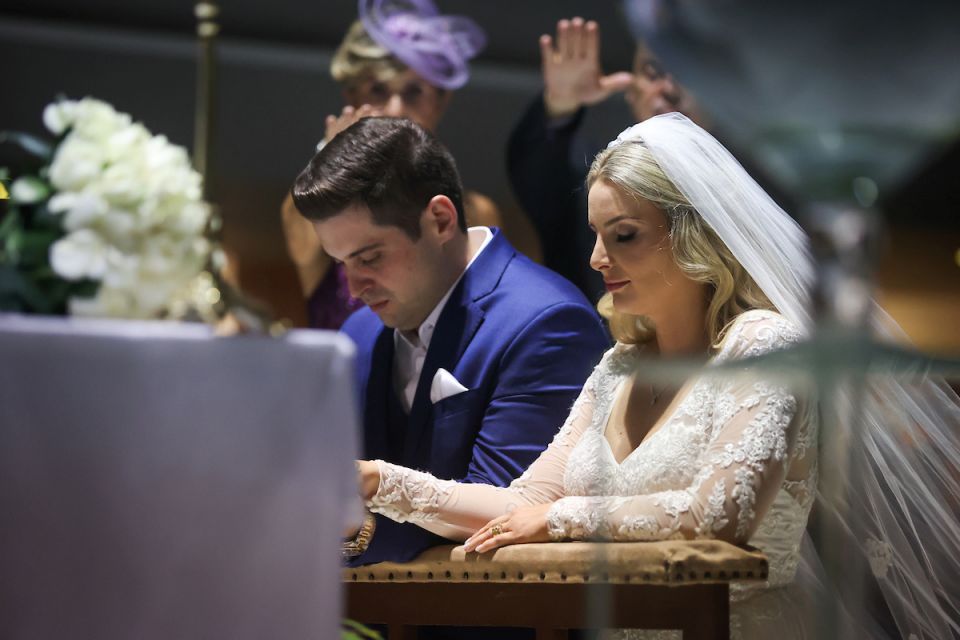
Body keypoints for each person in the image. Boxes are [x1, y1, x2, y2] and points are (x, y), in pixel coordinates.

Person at [356, 113, 960, 638]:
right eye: (595, 235)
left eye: (624, 235)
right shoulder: (618, 367)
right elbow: (524, 502)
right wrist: (379, 482)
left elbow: (718, 514)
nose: (597, 259)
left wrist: (564, 519)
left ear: (695, 234)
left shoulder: (766, 343)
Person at [291, 116, 610, 567]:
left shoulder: (547, 323)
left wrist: (350, 533)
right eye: (341, 262)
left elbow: (505, 520)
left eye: (369, 257)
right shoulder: (357, 334)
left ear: (440, 220)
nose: (354, 286)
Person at [508, 17, 787, 303]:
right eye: (653, 73)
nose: (669, 88)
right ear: (631, 91)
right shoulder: (593, 183)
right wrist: (561, 104)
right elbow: (534, 176)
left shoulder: (762, 178)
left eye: (687, 77)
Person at [282, 0, 501, 329]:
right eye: (378, 90)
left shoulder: (478, 212)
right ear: (352, 96)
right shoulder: (303, 205)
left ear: (442, 100)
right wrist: (331, 159)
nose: (396, 108)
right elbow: (302, 249)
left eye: (414, 91)